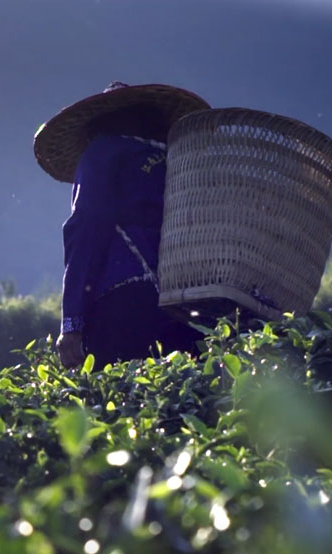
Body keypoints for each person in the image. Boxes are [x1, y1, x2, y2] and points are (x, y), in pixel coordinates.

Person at [33, 82, 211, 369]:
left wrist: (72, 324)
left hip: (126, 301)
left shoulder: (103, 152)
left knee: (118, 401)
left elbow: (87, 229)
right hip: (187, 303)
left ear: (99, 124)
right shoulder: (176, 161)